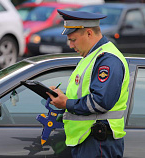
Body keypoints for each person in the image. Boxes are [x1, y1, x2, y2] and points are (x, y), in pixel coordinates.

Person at [46, 10, 130, 158]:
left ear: (89, 33)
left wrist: (66, 103)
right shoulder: (92, 56)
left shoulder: (107, 59)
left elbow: (101, 102)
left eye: (73, 39)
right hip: (90, 140)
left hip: (98, 142)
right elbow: (84, 93)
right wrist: (62, 97)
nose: (70, 45)